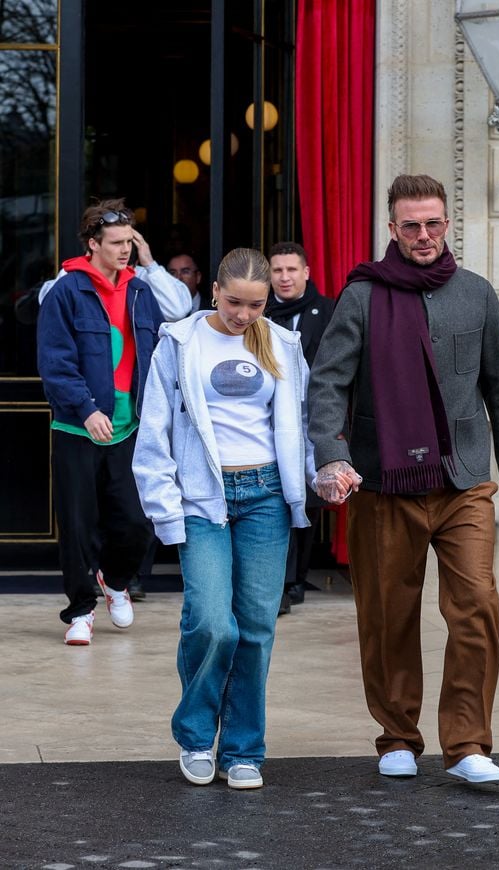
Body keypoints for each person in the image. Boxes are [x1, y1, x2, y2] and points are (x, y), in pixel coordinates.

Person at [307, 173, 499, 785]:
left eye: (433, 223)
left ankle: (466, 746)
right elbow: (328, 382)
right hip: (384, 478)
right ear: (392, 229)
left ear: (446, 224)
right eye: (410, 225)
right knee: (388, 613)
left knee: (478, 608)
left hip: (463, 479)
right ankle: (397, 736)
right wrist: (331, 454)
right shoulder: (360, 297)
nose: (424, 235)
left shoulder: (477, 294)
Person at [132, 247, 323, 790]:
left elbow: (303, 424)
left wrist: (320, 475)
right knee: (212, 622)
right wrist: (167, 513)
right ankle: (195, 737)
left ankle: (243, 750)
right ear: (214, 291)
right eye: (235, 302)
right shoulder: (180, 342)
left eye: (256, 305)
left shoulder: (284, 345)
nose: (243, 315)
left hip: (265, 495)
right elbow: (154, 434)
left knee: (257, 628)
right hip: (202, 498)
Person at [37, 198, 164, 645]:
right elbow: (55, 363)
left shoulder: (140, 291)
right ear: (93, 244)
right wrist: (86, 408)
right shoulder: (66, 291)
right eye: (116, 243)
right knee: (77, 523)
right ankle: (80, 611)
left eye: (129, 241)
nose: (125, 250)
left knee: (136, 521)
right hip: (77, 427)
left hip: (130, 427)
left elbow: (160, 353)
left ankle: (114, 580)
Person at [265, 241, 334, 614]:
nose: (285, 277)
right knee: (276, 498)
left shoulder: (328, 311)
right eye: (277, 270)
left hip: (314, 417)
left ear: (306, 272)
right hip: (269, 420)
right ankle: (279, 584)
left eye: (292, 269)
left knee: (308, 498)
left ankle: (295, 579)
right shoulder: (259, 313)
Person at [39, 228, 192, 323]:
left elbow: (177, 311)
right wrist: (84, 263)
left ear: (135, 263)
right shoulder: (77, 276)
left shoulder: (143, 277)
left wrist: (150, 264)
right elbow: (48, 304)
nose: (116, 274)